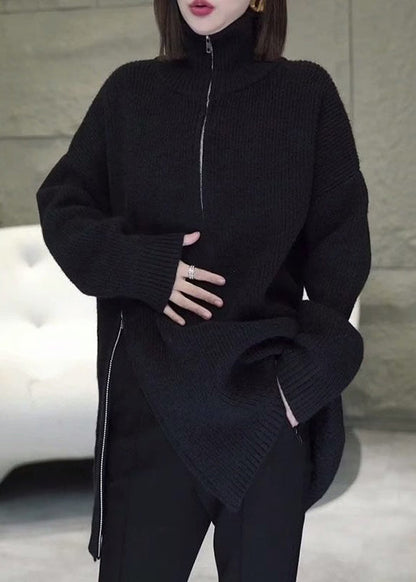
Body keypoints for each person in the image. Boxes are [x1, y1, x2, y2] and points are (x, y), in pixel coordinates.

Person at [35, 0, 371, 580]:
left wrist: (295, 389)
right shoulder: (129, 93)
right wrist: (145, 267)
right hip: (151, 407)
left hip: (265, 408)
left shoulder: (306, 95)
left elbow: (341, 253)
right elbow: (62, 207)